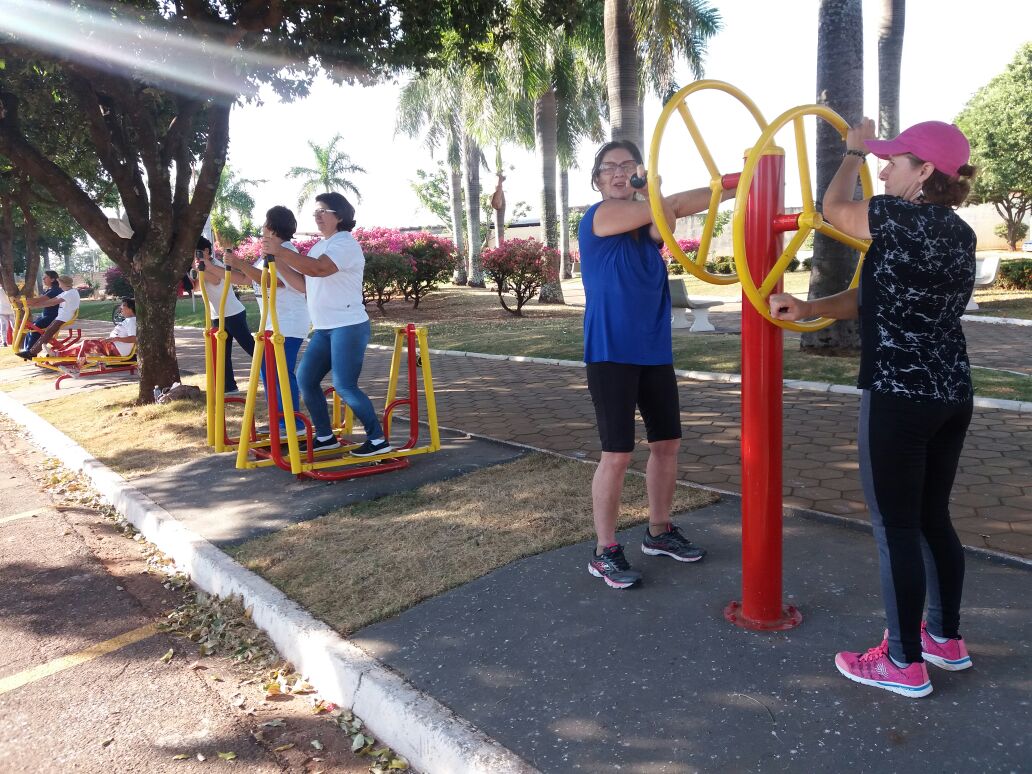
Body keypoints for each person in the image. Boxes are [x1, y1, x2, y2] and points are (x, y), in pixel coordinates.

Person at [770, 119, 978, 698]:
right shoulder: (960, 234)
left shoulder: (894, 215)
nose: (883, 171)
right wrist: (810, 308)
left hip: (898, 395)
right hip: (951, 393)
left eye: (894, 161)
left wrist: (853, 152)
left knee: (897, 527)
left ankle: (903, 662)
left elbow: (834, 208)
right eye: (879, 160)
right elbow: (873, 298)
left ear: (925, 171)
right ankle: (944, 639)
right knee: (932, 519)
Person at [579, 140, 729, 589]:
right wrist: (727, 186)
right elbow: (673, 206)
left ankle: (659, 532)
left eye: (628, 165)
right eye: (609, 167)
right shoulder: (600, 216)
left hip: (653, 350)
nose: (619, 172)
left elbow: (669, 214)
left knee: (667, 444)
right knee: (617, 453)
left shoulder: (647, 225)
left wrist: (727, 189)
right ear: (598, 179)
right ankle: (604, 551)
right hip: (610, 351)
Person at [261, 192, 390, 457]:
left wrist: (281, 251)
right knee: (306, 379)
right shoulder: (320, 247)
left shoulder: (345, 244)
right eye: (315, 212)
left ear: (339, 216)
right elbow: (303, 285)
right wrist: (277, 259)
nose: (318, 216)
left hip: (348, 326)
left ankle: (378, 440)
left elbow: (319, 269)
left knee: (345, 385)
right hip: (324, 328)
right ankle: (325, 436)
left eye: (323, 211)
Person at [223, 206, 310, 434]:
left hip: (288, 323)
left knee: (281, 372)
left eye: (265, 222)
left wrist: (240, 263)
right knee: (268, 372)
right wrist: (217, 268)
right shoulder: (269, 253)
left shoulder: (286, 251)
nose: (262, 227)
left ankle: (292, 423)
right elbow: (247, 279)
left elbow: (274, 282)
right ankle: (279, 420)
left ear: (272, 227)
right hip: (272, 324)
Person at [196, 236, 254, 395]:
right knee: (222, 353)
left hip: (233, 313)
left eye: (197, 252)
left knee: (249, 346)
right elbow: (195, 287)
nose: (195, 256)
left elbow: (215, 280)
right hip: (217, 315)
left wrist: (198, 269)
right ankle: (229, 387)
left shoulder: (216, 265)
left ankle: (274, 370)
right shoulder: (201, 267)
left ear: (206, 251)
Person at [57, 297, 137, 368]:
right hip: (114, 347)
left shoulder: (131, 321)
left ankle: (76, 366)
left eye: (123, 305)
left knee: (86, 343)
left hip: (118, 350)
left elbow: (134, 338)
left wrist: (116, 339)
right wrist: (109, 339)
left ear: (130, 308)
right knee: (82, 346)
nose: (121, 308)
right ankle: (60, 355)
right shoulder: (128, 320)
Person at [17, 274, 80, 359]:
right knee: (47, 332)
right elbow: (52, 300)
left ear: (64, 283)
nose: (59, 285)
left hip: (64, 317)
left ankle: (32, 352)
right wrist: (33, 304)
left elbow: (53, 303)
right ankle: (31, 351)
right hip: (62, 317)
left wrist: (34, 306)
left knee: (48, 333)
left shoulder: (70, 293)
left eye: (60, 283)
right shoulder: (66, 292)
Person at [19, 270, 61, 353]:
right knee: (32, 327)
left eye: (45, 277)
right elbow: (37, 301)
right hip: (46, 316)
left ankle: (30, 351)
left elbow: (38, 300)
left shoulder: (55, 290)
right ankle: (26, 349)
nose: (43, 279)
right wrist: (25, 302)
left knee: (35, 328)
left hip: (52, 317)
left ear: (52, 279)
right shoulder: (50, 290)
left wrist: (20, 300)